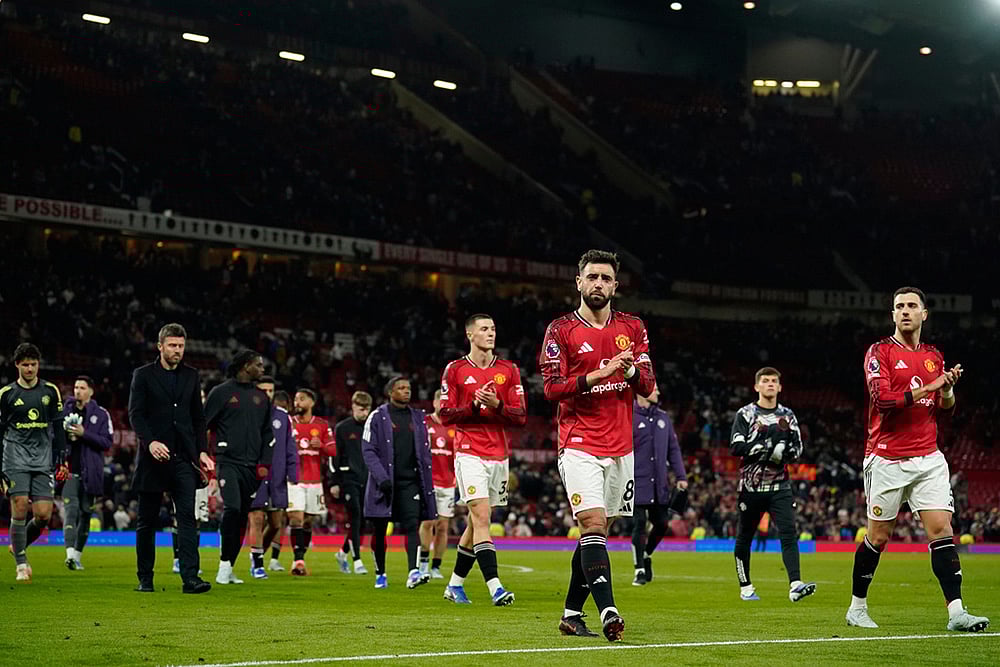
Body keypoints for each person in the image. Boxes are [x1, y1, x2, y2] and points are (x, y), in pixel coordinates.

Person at [846, 287, 989, 632]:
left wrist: (947, 389)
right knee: (878, 537)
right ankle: (857, 607)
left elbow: (946, 408)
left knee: (942, 530)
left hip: (928, 457)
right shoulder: (878, 352)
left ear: (925, 314)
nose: (905, 311)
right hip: (886, 458)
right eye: (899, 307)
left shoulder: (933, 356)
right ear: (893, 314)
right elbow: (882, 401)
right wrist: (930, 386)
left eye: (912, 306)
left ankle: (956, 613)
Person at [539, 249, 655, 641]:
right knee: (592, 523)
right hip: (578, 442)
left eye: (606, 278)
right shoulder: (561, 331)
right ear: (579, 282)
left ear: (615, 286)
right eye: (592, 277)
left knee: (598, 532)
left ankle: (572, 614)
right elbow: (552, 389)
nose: (598, 284)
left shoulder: (633, 327)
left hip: (620, 445)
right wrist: (597, 374)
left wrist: (631, 370)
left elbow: (649, 384)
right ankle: (609, 610)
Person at [440, 314, 525, 606]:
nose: (491, 333)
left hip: (498, 455)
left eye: (493, 328)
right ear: (470, 334)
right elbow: (446, 415)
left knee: (476, 523)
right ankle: (495, 587)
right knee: (482, 518)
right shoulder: (455, 370)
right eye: (484, 329)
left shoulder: (509, 370)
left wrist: (497, 404)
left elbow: (521, 416)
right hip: (469, 451)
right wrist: (475, 406)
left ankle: (454, 585)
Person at [129, 323, 213, 594]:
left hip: (183, 459)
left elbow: (198, 418)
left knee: (187, 517)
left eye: (181, 346)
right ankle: (145, 578)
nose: (178, 351)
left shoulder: (191, 375)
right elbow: (136, 414)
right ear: (160, 346)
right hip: (153, 458)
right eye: (173, 346)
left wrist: (202, 451)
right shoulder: (142, 375)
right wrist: (150, 441)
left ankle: (190, 579)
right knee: (147, 521)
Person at [730, 367, 815, 603]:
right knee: (745, 536)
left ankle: (795, 584)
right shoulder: (745, 414)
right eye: (765, 381)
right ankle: (745, 586)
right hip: (751, 488)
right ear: (756, 386)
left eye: (773, 381)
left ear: (779, 387)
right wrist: (765, 448)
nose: (769, 384)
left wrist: (784, 453)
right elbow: (736, 447)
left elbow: (798, 449)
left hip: (780, 486)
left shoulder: (788, 416)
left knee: (789, 533)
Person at [204, 351, 274, 585]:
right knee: (232, 508)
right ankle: (223, 565)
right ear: (245, 366)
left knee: (242, 516)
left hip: (252, 466)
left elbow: (267, 434)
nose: (262, 369)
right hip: (228, 461)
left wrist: (265, 463)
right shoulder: (221, 393)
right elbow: (203, 424)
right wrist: (204, 455)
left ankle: (230, 566)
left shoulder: (262, 398)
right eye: (258, 365)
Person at [362, 376, 436, 590]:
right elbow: (368, 450)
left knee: (412, 525)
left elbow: (425, 451)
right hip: (384, 482)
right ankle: (380, 572)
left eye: (408, 388)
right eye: (401, 388)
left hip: (410, 482)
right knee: (379, 529)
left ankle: (413, 572)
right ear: (390, 392)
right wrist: (381, 477)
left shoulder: (418, 418)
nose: (406, 391)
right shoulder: (377, 416)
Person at [0, 343, 66, 582]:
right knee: (18, 506)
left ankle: (17, 544)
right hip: (14, 457)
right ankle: (21, 563)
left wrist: (62, 460)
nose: (30, 368)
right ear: (17, 365)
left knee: (43, 515)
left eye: (34, 364)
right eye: (25, 364)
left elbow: (58, 428)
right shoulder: (6, 394)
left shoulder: (50, 391)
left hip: (42, 459)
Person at [630, 383, 687, 586]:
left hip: (659, 484)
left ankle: (646, 554)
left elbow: (674, 450)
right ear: (641, 390)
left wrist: (681, 476)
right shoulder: (629, 415)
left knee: (662, 523)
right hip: (635, 482)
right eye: (654, 388)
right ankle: (638, 569)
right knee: (638, 524)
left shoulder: (663, 417)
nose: (658, 392)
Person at [60, 375, 113, 571]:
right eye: (75, 387)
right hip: (69, 470)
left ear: (91, 391)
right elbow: (55, 435)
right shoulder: (66, 411)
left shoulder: (101, 414)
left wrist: (84, 434)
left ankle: (77, 556)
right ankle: (69, 555)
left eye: (82, 388)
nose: (77, 391)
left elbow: (107, 442)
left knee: (85, 513)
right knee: (71, 509)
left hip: (91, 471)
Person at [247, 381, 298, 579]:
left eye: (270, 390)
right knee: (256, 518)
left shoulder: (283, 416)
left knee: (276, 523)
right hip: (255, 475)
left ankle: (256, 555)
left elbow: (290, 447)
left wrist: (293, 473)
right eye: (264, 390)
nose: (267, 393)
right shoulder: (247, 412)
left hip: (276, 475)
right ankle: (258, 564)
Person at [287, 387, 335, 575]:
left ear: (312, 403)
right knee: (296, 517)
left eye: (302, 399)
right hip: (294, 479)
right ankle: (297, 560)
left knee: (308, 521)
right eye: (296, 399)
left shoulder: (322, 425)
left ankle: (301, 557)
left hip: (315, 481)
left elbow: (333, 451)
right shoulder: (289, 424)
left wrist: (321, 446)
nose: (297, 403)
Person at [333, 391, 373, 575]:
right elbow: (335, 456)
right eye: (360, 409)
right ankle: (357, 560)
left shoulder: (372, 428)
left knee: (362, 521)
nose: (363, 413)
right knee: (355, 515)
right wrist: (335, 482)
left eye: (366, 409)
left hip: (368, 479)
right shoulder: (342, 428)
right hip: (349, 478)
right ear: (353, 407)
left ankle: (342, 553)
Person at [419, 389, 455, 580]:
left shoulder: (455, 426)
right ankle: (423, 562)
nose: (443, 404)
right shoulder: (424, 423)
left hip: (448, 483)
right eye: (440, 400)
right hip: (428, 481)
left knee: (442, 526)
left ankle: (436, 566)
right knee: (427, 522)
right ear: (434, 403)